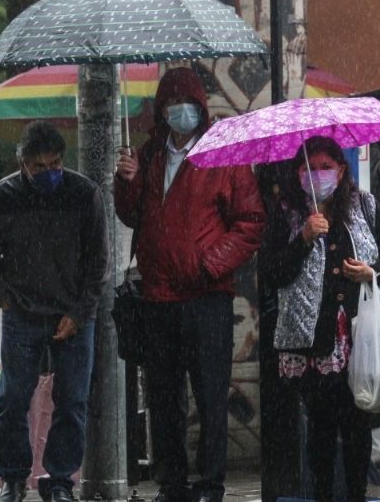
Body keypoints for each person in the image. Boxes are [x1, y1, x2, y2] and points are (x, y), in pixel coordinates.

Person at [114, 67, 266, 502]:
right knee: (163, 398)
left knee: (210, 393)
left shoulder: (225, 156)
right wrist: (125, 184)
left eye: (189, 104)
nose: (181, 112)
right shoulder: (149, 156)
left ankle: (211, 484)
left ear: (200, 108)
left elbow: (251, 222)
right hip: (158, 298)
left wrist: (209, 263)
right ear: (162, 110)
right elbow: (133, 215)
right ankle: (172, 484)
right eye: (172, 104)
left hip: (206, 297)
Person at [259, 136, 380, 502]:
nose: (319, 175)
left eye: (327, 167)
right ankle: (323, 493)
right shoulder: (288, 213)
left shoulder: (365, 207)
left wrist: (371, 272)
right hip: (312, 340)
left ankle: (356, 493)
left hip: (358, 335)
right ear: (298, 173)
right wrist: (304, 239)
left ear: (341, 170)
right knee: (321, 430)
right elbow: (272, 273)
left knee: (358, 426)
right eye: (311, 168)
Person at [0, 120, 109, 502]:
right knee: (13, 398)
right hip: (22, 314)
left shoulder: (85, 194)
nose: (49, 173)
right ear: (23, 163)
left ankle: (61, 480)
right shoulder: (1, 196)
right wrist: (6, 300)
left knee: (72, 400)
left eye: (56, 165)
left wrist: (79, 314)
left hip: (74, 313)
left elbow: (98, 262)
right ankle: (13, 479)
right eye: (40, 167)